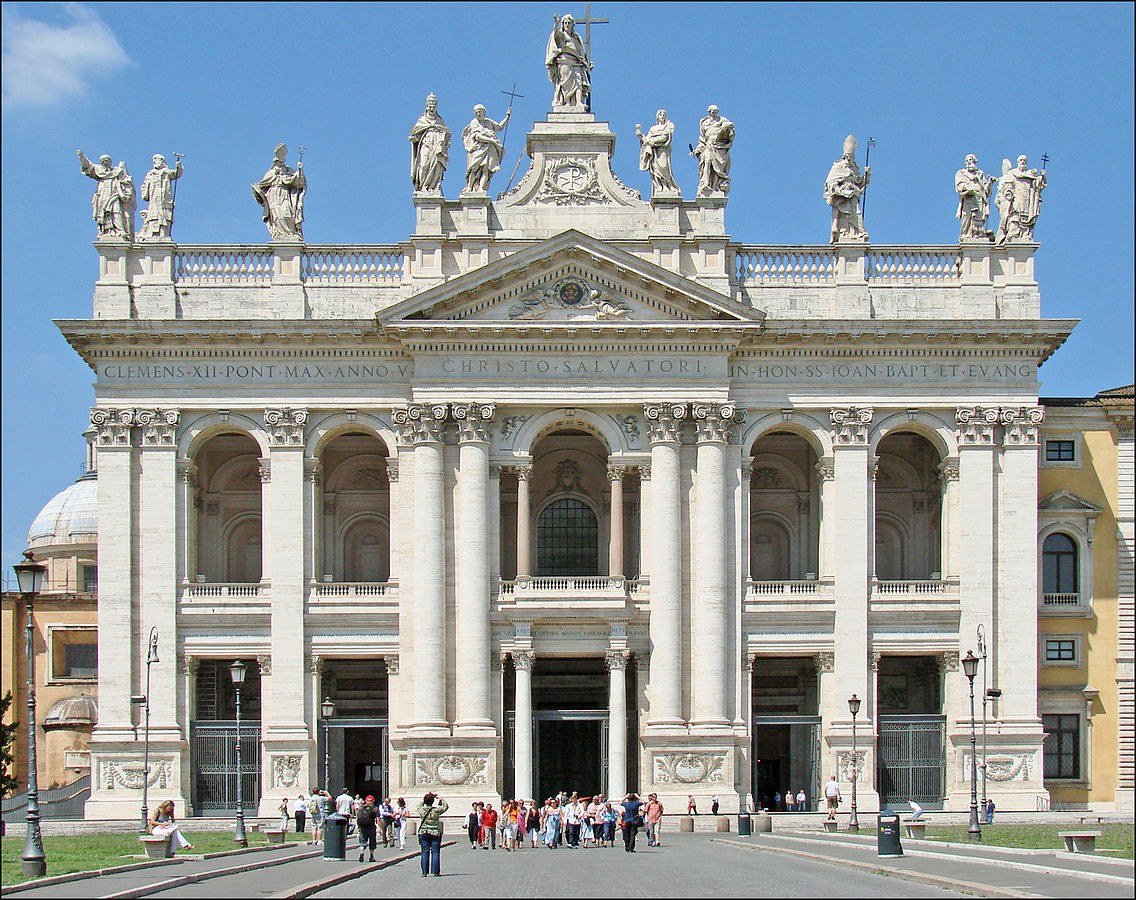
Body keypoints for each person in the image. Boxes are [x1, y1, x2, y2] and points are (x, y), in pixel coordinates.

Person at [78, 150, 135, 240]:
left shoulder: (118, 171)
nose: (105, 162)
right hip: (102, 195)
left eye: (107, 160)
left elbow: (126, 182)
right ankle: (106, 231)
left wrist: (127, 193)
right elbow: (88, 167)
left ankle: (120, 230)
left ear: (111, 162)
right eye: (103, 161)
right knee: (103, 213)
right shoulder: (98, 170)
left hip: (115, 195)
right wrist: (82, 158)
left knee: (117, 211)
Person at [252, 143, 305, 240]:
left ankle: (291, 234)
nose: (280, 168)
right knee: (276, 217)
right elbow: (262, 185)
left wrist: (300, 170)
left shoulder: (289, 171)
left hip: (284, 195)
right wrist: (257, 189)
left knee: (287, 214)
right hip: (273, 196)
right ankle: (280, 235)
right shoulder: (270, 173)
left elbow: (300, 183)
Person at [824, 134, 870, 242]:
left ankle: (859, 233)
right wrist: (840, 191)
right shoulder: (837, 166)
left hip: (853, 194)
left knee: (857, 212)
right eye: (848, 156)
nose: (849, 159)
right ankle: (844, 233)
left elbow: (861, 183)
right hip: (841, 198)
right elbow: (830, 182)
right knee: (844, 218)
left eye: (851, 157)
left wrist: (868, 175)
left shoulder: (854, 169)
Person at [995, 154, 1047, 244]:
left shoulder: (1030, 174)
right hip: (1016, 199)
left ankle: (1024, 235)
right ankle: (1012, 234)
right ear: (1018, 162)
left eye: (1024, 160)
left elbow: (1036, 186)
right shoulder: (1013, 173)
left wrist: (1041, 177)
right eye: (1021, 160)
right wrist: (1008, 193)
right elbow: (1008, 184)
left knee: (1026, 218)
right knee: (1014, 216)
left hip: (1027, 200)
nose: (1023, 162)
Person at [462, 104, 512, 193]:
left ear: (484, 112)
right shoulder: (474, 122)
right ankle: (470, 187)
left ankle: (481, 188)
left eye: (479, 112)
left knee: (486, 169)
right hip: (479, 148)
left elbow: (500, 127)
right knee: (474, 168)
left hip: (490, 148)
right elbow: (477, 137)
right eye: (476, 112)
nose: (478, 114)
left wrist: (507, 116)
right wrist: (492, 141)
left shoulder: (488, 122)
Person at [545, 14, 592, 110]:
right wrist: (556, 24)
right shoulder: (561, 35)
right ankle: (566, 102)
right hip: (564, 61)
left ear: (572, 24)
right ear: (562, 24)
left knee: (578, 82)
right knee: (565, 82)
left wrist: (586, 64)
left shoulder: (576, 38)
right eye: (565, 22)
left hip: (576, 61)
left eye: (569, 23)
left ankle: (578, 102)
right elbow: (554, 35)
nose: (567, 24)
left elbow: (581, 52)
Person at [409, 93, 451, 193]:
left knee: (436, 164)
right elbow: (417, 133)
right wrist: (414, 138)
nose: (431, 108)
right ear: (426, 107)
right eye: (429, 106)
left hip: (437, 146)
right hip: (426, 145)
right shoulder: (422, 120)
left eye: (433, 106)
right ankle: (423, 187)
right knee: (423, 165)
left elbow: (447, 133)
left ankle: (433, 187)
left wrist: (445, 142)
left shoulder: (440, 121)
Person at [691, 105, 734, 197]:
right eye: (712, 111)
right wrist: (697, 150)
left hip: (719, 147)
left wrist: (727, 129)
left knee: (715, 168)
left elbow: (730, 132)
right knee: (707, 161)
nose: (713, 113)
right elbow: (702, 140)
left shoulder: (722, 120)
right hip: (708, 146)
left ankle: (713, 186)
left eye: (715, 112)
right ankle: (705, 183)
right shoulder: (704, 123)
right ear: (709, 112)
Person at [139, 153, 183, 241]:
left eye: (157, 159)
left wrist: (179, 166)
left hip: (164, 198)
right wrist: (145, 191)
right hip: (153, 198)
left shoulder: (166, 172)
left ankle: (163, 234)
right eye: (154, 159)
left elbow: (176, 173)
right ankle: (152, 233)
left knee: (164, 215)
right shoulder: (150, 174)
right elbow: (144, 185)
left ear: (162, 161)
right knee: (153, 215)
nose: (155, 161)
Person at [636, 109, 678, 195]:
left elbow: (665, 137)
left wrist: (654, 142)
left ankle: (667, 185)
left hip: (662, 150)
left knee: (663, 166)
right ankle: (659, 186)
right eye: (660, 114)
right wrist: (640, 135)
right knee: (655, 168)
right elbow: (647, 140)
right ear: (657, 117)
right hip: (654, 151)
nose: (662, 116)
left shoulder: (668, 126)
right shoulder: (653, 128)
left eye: (663, 114)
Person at [955, 153, 996, 241]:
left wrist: (990, 183)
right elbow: (959, 186)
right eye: (967, 160)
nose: (969, 162)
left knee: (979, 217)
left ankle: (978, 234)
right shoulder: (961, 173)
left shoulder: (980, 174)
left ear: (974, 161)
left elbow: (986, 189)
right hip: (968, 198)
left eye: (970, 160)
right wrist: (967, 188)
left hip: (979, 198)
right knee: (967, 217)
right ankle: (966, 235)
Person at [416, 792, 448, 876]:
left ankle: (424, 872)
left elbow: (418, 806)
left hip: (424, 832)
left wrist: (425, 799)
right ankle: (435, 872)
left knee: (424, 852)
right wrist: (440, 798)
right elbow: (445, 806)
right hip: (434, 832)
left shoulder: (422, 810)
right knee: (435, 852)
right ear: (433, 801)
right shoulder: (436, 810)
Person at [356, 795, 378, 862]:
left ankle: (362, 852)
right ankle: (371, 856)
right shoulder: (374, 808)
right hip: (371, 826)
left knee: (363, 840)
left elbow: (358, 817)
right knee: (372, 841)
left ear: (366, 801)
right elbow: (377, 818)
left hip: (363, 826)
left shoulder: (361, 808)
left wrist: (358, 827)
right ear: (373, 801)